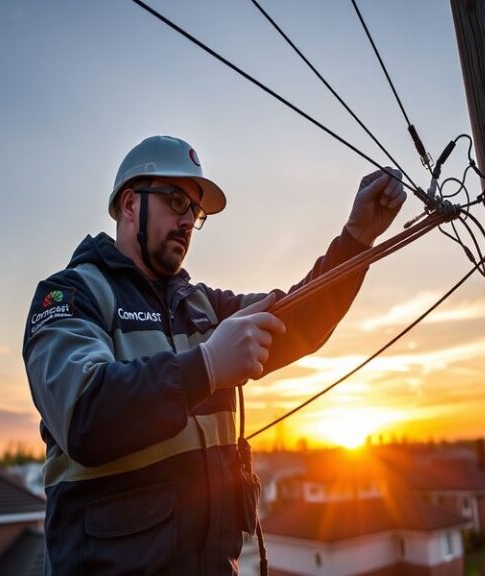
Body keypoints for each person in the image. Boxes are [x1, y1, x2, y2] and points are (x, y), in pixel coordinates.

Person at [22, 135, 406, 575]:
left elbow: (298, 320)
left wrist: (356, 239)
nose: (188, 220)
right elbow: (84, 414)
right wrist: (206, 367)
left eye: (195, 210)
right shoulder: (71, 295)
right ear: (129, 204)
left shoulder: (203, 306)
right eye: (175, 200)